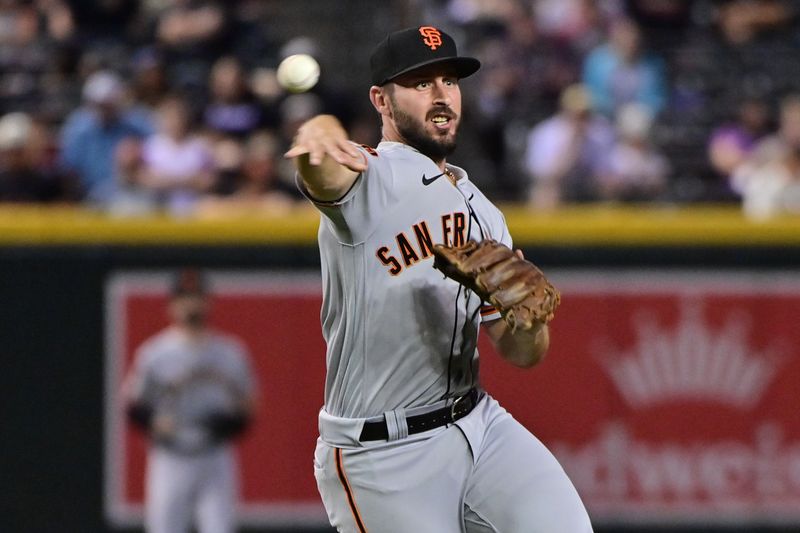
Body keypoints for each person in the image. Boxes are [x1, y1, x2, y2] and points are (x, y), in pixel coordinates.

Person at [285, 26, 592, 532]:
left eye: (449, 80)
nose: (441, 95)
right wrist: (318, 127)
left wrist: (527, 322)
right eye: (421, 83)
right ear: (381, 99)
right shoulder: (371, 178)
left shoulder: (484, 213)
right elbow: (320, 172)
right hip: (382, 453)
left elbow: (522, 354)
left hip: (477, 423)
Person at [122, 269, 257, 533]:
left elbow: (250, 404)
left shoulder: (230, 353)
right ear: (171, 305)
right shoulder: (155, 355)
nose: (191, 304)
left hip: (214, 455)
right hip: (170, 457)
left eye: (196, 297)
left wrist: (230, 423)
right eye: (184, 298)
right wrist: (153, 421)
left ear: (208, 301)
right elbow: (132, 405)